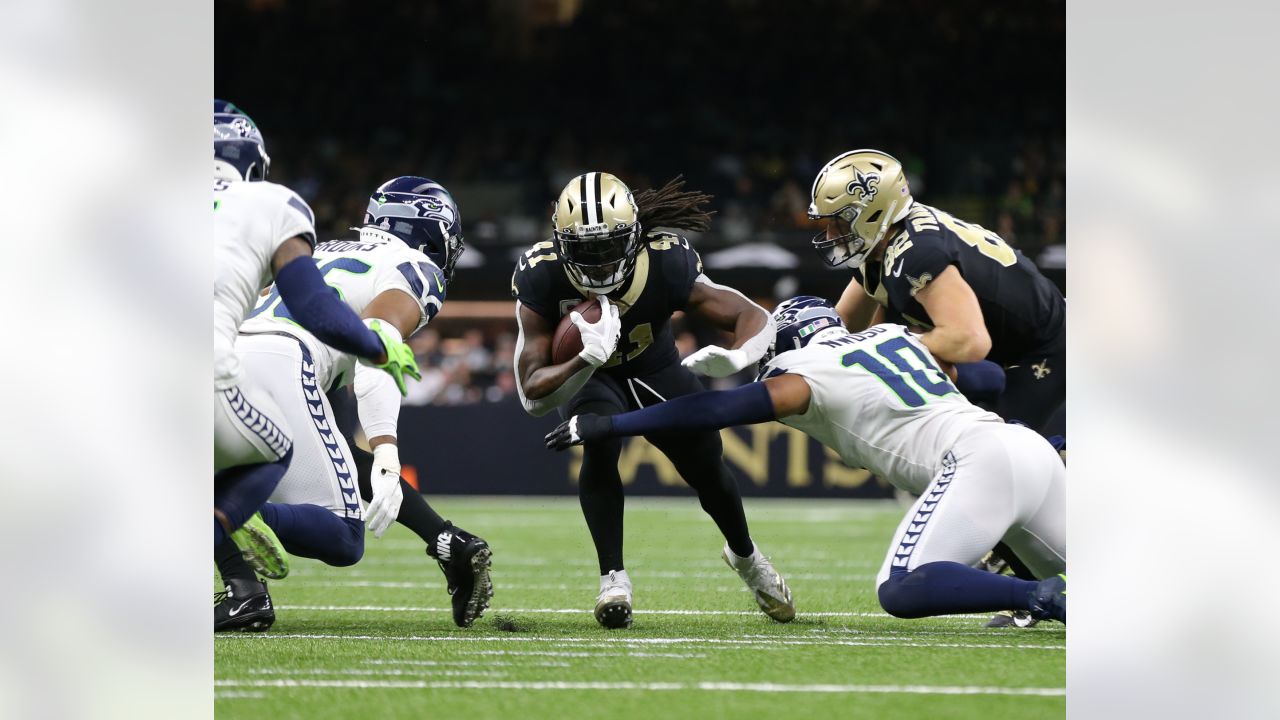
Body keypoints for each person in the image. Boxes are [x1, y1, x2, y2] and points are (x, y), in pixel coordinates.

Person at [546, 296, 1066, 624]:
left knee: (904, 587)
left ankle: (1040, 598)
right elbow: (992, 380)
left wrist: (612, 424)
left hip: (977, 461)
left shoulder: (805, 373)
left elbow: (716, 408)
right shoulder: (894, 337)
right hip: (1029, 450)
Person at [512, 173, 793, 628]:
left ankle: (746, 556)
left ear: (635, 235)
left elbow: (751, 314)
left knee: (708, 466)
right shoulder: (541, 272)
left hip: (655, 367)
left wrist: (738, 354)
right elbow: (532, 394)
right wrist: (582, 360)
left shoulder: (664, 260)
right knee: (598, 442)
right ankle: (613, 577)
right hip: (591, 376)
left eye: (609, 245)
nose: (600, 262)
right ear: (560, 242)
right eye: (586, 249)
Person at [217, 176, 492, 632]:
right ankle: (242, 517)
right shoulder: (413, 266)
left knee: (313, 457)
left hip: (225, 352)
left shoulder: (320, 249)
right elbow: (377, 345)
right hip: (283, 357)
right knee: (344, 538)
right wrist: (387, 447)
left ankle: (244, 591)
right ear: (430, 231)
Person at [212, 102, 419, 611]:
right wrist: (376, 347)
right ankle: (226, 524)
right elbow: (313, 305)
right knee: (267, 453)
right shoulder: (270, 205)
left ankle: (240, 586)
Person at [810, 149, 1065, 438]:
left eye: (840, 221)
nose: (832, 234)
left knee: (992, 455)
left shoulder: (916, 253)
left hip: (1044, 347)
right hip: (1007, 349)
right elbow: (842, 328)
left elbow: (969, 340)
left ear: (873, 212)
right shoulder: (883, 244)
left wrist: (885, 349)